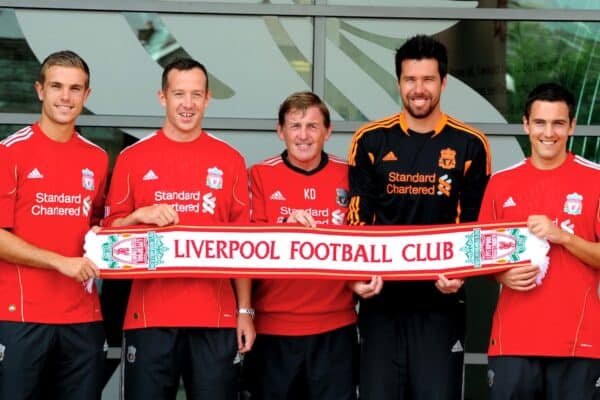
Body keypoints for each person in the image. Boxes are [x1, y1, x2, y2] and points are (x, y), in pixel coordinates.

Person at [347, 34, 491, 399]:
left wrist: (460, 273)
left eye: (428, 79)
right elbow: (358, 220)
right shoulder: (370, 141)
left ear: (443, 82)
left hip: (440, 305)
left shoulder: (470, 144)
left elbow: (474, 225)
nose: (419, 89)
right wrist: (355, 278)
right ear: (398, 82)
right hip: (380, 304)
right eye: (410, 79)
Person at [102, 58, 255, 399]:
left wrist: (245, 312)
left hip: (216, 318)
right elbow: (107, 236)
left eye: (196, 94)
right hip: (149, 317)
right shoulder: (133, 157)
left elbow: (244, 245)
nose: (188, 104)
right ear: (162, 97)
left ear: (208, 99)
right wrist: (139, 215)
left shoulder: (229, 158)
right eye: (179, 94)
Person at [478, 82, 600, 399]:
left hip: (579, 344)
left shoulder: (595, 180)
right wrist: (499, 273)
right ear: (526, 125)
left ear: (572, 126)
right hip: (513, 343)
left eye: (558, 123)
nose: (549, 133)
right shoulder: (501, 183)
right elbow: (478, 255)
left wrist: (564, 236)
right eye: (540, 122)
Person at [0, 50, 108, 399]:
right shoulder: (9, 152)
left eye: (75, 88)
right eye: (57, 86)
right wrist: (60, 262)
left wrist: (134, 220)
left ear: (86, 96)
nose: (66, 97)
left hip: (83, 319)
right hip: (21, 316)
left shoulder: (97, 157)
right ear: (39, 90)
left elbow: (98, 229)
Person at [243, 91, 357, 399]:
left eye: (312, 126)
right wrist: (284, 230)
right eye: (295, 126)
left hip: (336, 328)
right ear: (280, 131)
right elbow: (246, 249)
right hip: (273, 330)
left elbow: (367, 240)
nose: (303, 136)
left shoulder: (350, 175)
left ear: (328, 131)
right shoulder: (259, 175)